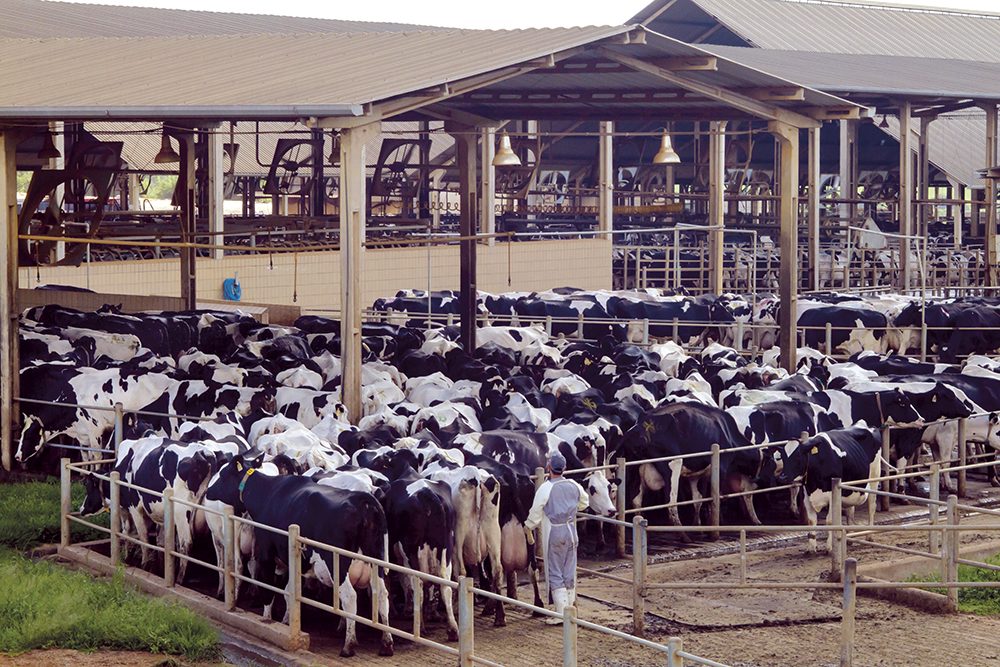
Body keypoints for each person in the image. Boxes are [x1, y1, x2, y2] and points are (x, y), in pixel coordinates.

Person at [525, 451, 588, 624]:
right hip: (571, 530)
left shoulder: (546, 487)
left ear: (549, 468)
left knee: (555, 571)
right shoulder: (574, 484)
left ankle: (561, 614)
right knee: (569, 569)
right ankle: (571, 610)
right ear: (565, 468)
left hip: (555, 530)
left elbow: (536, 510)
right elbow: (585, 503)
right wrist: (570, 507)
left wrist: (528, 525)